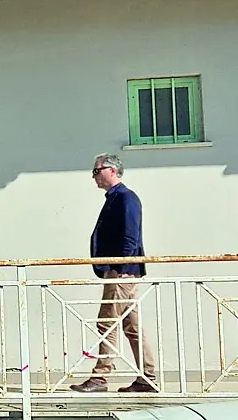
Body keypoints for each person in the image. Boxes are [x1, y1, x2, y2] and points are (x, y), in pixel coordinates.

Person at [71, 153, 157, 393]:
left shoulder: (125, 198)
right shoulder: (118, 198)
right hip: (124, 272)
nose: (94, 176)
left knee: (106, 323)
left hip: (121, 273)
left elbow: (130, 236)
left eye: (96, 171)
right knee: (132, 327)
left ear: (111, 170)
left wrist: (119, 268)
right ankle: (147, 378)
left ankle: (101, 377)